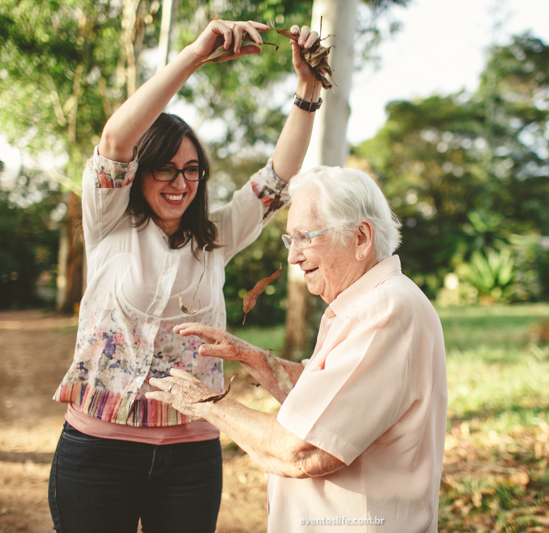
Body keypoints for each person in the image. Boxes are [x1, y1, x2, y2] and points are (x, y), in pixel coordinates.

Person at [48, 19, 323, 533]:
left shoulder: (216, 236)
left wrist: (307, 91)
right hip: (98, 454)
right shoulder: (110, 221)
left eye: (192, 169)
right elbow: (114, 136)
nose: (181, 183)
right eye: (166, 169)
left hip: (191, 460)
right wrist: (195, 55)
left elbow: (277, 178)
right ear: (140, 171)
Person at [148, 166, 448, 532]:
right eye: (291, 241)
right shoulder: (363, 303)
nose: (293, 257)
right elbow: (327, 398)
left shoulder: (384, 311)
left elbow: (302, 449)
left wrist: (207, 403)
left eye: (305, 237)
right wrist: (251, 357)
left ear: (361, 238)